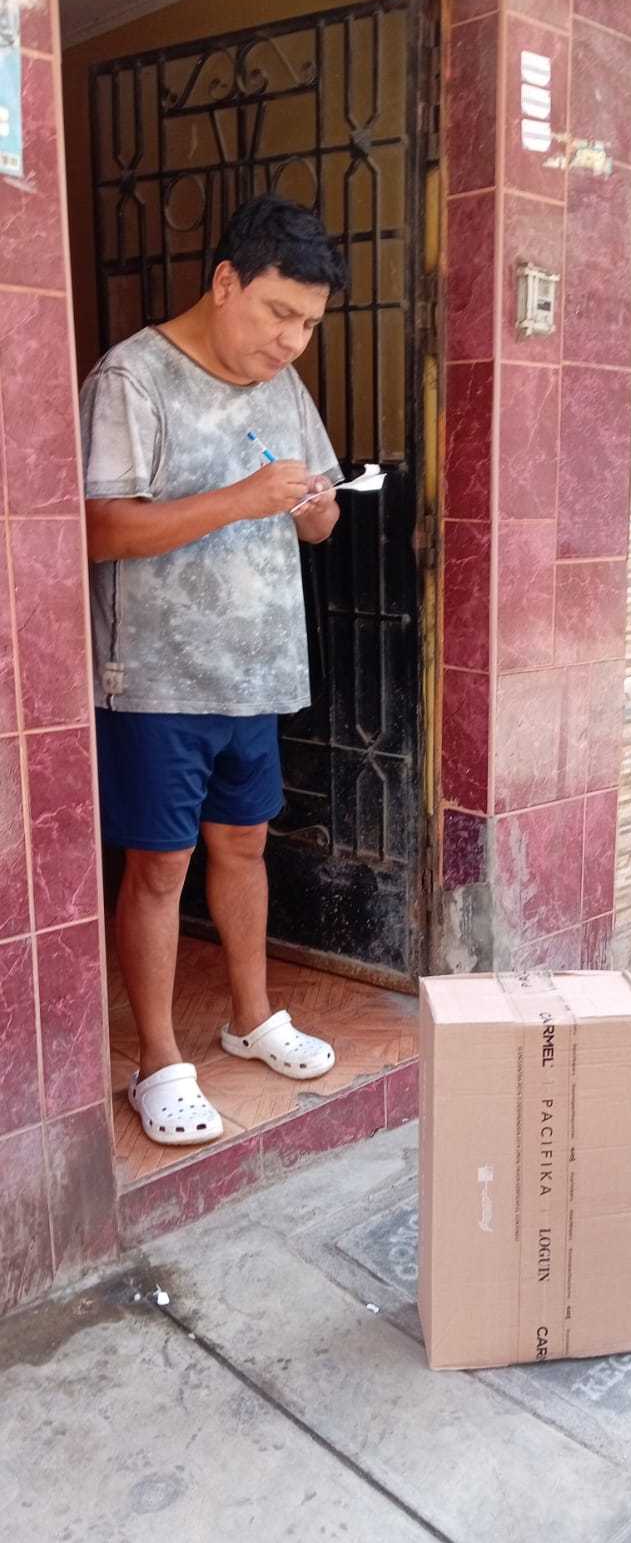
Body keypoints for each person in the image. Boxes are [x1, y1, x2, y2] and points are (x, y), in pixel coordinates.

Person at [81, 194, 346, 1147]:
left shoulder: (283, 386)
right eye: (278, 312)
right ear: (226, 280)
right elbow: (99, 528)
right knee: (159, 864)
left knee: (243, 846)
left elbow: (319, 519)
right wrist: (241, 498)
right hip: (157, 675)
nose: (290, 340)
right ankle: (158, 1061)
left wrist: (312, 506)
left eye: (307, 324)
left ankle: (251, 1016)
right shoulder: (133, 377)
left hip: (257, 669)